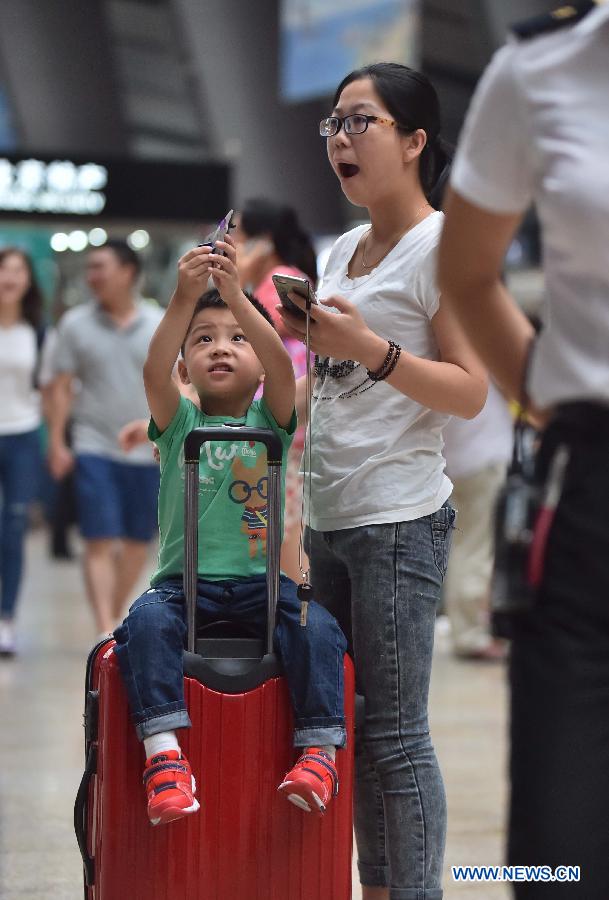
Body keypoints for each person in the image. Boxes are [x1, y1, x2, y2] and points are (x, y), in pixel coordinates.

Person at [278, 63, 487, 900]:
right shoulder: (338, 250)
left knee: (395, 736)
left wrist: (371, 349)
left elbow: (470, 391)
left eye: (357, 121)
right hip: (331, 516)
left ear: (412, 140)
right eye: (330, 123)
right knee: (346, 730)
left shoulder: (445, 248)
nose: (338, 139)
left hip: (400, 519)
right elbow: (327, 383)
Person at [437, 3, 609, 896]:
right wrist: (540, 399)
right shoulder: (542, 67)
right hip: (590, 495)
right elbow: (467, 269)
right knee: (559, 849)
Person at [113, 237, 347, 828]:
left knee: (317, 627)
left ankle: (319, 751)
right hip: (181, 586)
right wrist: (183, 298)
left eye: (236, 339)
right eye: (204, 340)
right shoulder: (178, 423)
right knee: (141, 625)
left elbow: (279, 360)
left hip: (260, 585)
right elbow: (152, 367)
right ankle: (164, 758)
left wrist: (241, 299)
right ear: (184, 364)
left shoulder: (272, 418)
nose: (221, 348)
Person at [46, 240, 163, 637]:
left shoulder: (158, 322)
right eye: (89, 267)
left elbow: (178, 381)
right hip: (93, 443)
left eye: (100, 267)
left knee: (136, 541)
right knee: (98, 538)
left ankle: (113, 613)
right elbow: (59, 385)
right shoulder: (75, 324)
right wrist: (58, 442)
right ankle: (103, 627)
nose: (92, 275)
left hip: (146, 450)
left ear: (128, 272)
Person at [234, 198, 318, 582]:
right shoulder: (283, 276)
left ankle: (293, 609)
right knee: (278, 522)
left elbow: (263, 333)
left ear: (262, 242)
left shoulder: (278, 279)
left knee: (279, 527)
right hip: (285, 419)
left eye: (240, 235)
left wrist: (236, 282)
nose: (231, 243)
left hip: (282, 420)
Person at [442, 380, 512, 660]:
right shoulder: (479, 355)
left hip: (459, 461)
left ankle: (469, 627)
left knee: (467, 546)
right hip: (482, 461)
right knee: (476, 548)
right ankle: (470, 634)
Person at [0, 248, 45, 656]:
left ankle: (7, 619)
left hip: (22, 436)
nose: (10, 277)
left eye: (18, 270)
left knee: (13, 529)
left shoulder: (37, 330)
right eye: (4, 269)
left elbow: (47, 386)